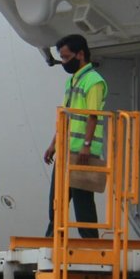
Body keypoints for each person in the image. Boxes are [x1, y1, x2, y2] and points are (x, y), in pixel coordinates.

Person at [43, 33, 106, 238]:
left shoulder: (94, 81)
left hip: (83, 152)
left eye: (66, 57)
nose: (63, 62)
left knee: (82, 202)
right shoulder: (72, 82)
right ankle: (52, 240)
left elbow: (93, 116)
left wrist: (87, 145)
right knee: (56, 201)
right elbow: (66, 115)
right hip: (66, 150)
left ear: (80, 54)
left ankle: (91, 243)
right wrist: (53, 143)